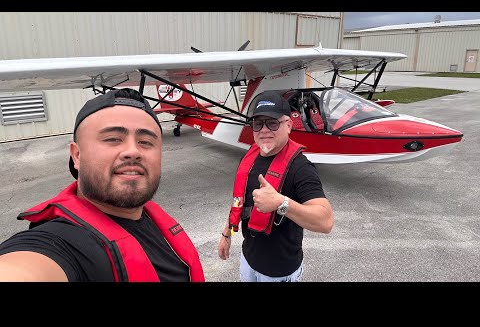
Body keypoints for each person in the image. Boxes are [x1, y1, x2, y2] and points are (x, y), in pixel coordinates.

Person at [0, 88, 205, 282]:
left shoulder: (151, 219)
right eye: (113, 139)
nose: (133, 151)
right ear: (77, 155)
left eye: (146, 142)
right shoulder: (57, 242)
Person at [218, 91, 333, 282]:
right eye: (257, 123)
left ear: (288, 125)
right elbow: (239, 204)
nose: (264, 130)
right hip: (249, 260)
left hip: (280, 271)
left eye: (272, 123)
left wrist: (281, 202)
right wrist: (227, 234)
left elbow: (326, 221)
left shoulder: (301, 168)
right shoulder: (249, 158)